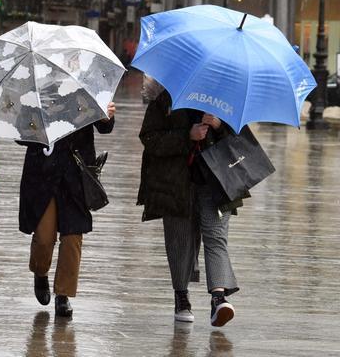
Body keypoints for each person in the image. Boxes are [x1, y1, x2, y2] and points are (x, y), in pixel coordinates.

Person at [137, 76, 243, 327]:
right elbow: (149, 138)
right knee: (180, 239)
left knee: (216, 236)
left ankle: (218, 298)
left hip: (218, 181)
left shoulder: (226, 98)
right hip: (175, 182)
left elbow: (240, 138)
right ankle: (181, 296)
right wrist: (188, 135)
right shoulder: (165, 97)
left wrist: (219, 125)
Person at [18, 102, 116, 318]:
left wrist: (106, 116)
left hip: (76, 175)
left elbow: (106, 127)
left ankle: (63, 295)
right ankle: (40, 272)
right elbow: (21, 134)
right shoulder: (36, 90)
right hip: (43, 175)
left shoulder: (87, 86)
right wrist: (38, 124)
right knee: (44, 237)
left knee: (73, 236)